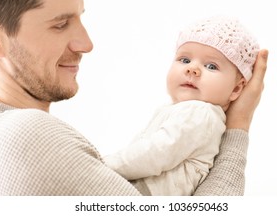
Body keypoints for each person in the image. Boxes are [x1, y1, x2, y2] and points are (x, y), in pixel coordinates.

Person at [0, 0, 268, 196]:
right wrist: (238, 125)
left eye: (80, 18)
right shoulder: (26, 136)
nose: (86, 43)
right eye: (60, 24)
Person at [104, 16, 260, 195]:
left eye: (211, 66)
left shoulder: (201, 113)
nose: (192, 69)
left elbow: (157, 153)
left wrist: (104, 165)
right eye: (185, 60)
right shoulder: (182, 110)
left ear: (236, 88)